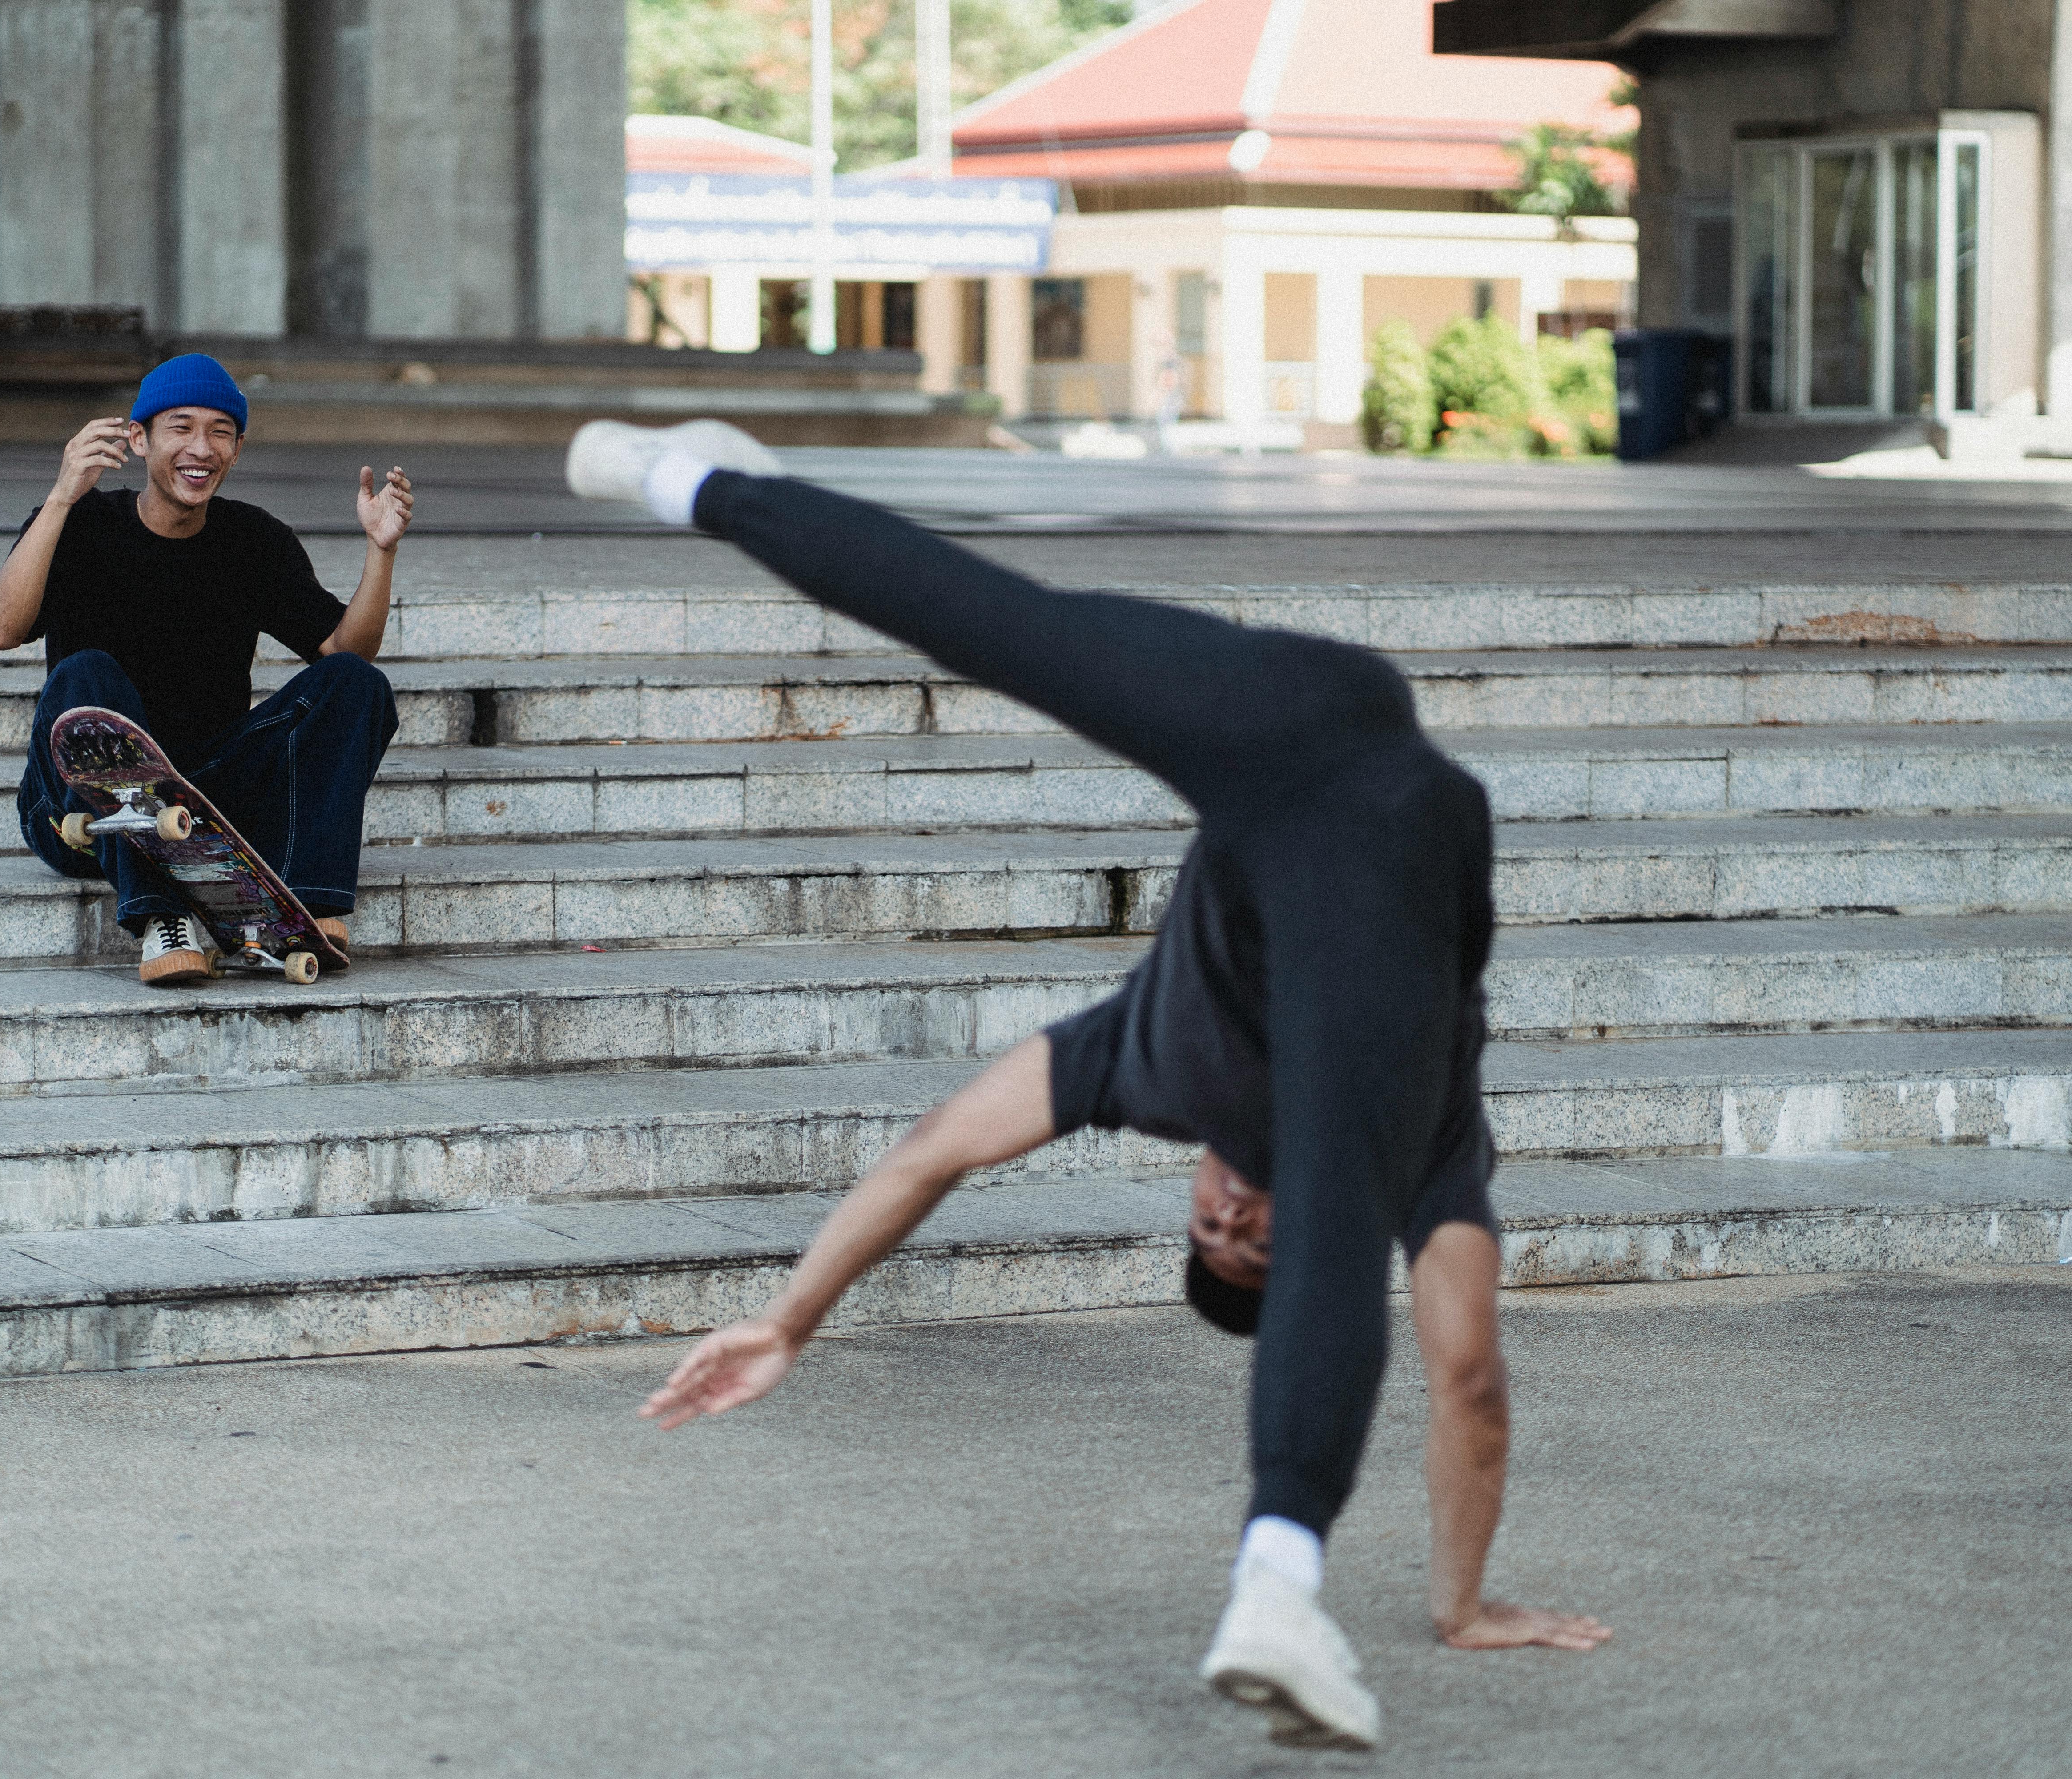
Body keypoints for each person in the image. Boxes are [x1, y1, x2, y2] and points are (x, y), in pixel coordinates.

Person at [572, 419, 1611, 1751]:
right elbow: (1470, 1381)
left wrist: (790, 1320)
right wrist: (1467, 1605)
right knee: (1007, 629)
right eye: (1244, 1237)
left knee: (1003, 631)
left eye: (1220, 1234)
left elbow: (933, 1154)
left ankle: (704, 477)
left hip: (1314, 763)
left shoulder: (1135, 1062)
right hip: (1356, 765)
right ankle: (1283, 1591)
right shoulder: (1429, 1158)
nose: (1234, 1212)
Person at [0, 353, 411, 984]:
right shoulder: (81, 524)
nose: (200, 448)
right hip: (80, 806)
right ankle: (163, 916)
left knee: (358, 685)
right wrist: (60, 498)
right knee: (85, 675)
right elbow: (3, 630)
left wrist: (381, 552)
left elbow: (344, 652)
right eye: (180, 427)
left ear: (237, 451)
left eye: (219, 432)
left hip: (205, 801)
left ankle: (302, 905)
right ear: (139, 439)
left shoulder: (253, 540)